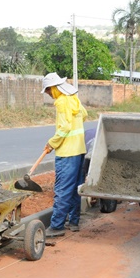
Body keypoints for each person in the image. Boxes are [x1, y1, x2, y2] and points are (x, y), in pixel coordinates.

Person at [40, 72, 88, 237]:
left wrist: (52, 143)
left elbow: (65, 128)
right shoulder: (74, 99)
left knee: (62, 189)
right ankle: (73, 222)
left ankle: (57, 226)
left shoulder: (61, 102)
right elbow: (85, 115)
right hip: (80, 151)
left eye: (48, 90)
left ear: (54, 88)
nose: (48, 94)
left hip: (67, 153)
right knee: (75, 188)